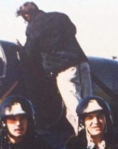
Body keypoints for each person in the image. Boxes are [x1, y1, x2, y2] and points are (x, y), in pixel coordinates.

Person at [16, 2, 92, 134]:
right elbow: (73, 30)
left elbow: (30, 52)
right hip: (82, 63)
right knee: (90, 104)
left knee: (74, 110)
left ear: (27, 15)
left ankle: (85, 140)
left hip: (64, 69)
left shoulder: (33, 26)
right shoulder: (60, 16)